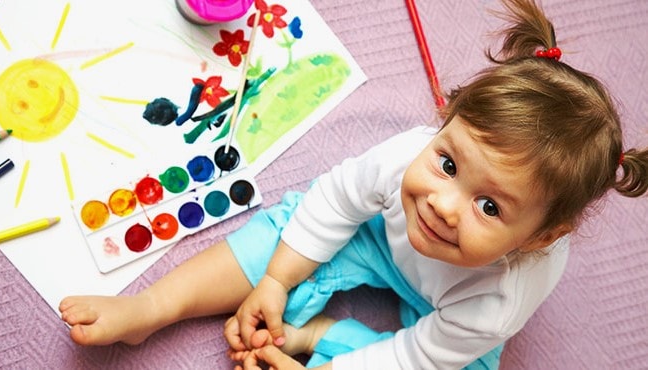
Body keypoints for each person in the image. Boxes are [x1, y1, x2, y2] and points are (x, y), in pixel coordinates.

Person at [59, 0, 648, 368]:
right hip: (376, 238)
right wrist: (274, 280)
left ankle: (318, 335)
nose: (443, 205)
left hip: (450, 311)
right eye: (448, 164)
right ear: (443, 123)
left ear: (540, 237)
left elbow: (415, 359)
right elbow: (331, 206)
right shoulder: (405, 158)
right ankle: (151, 308)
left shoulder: (496, 303)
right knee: (290, 227)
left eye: (490, 206)